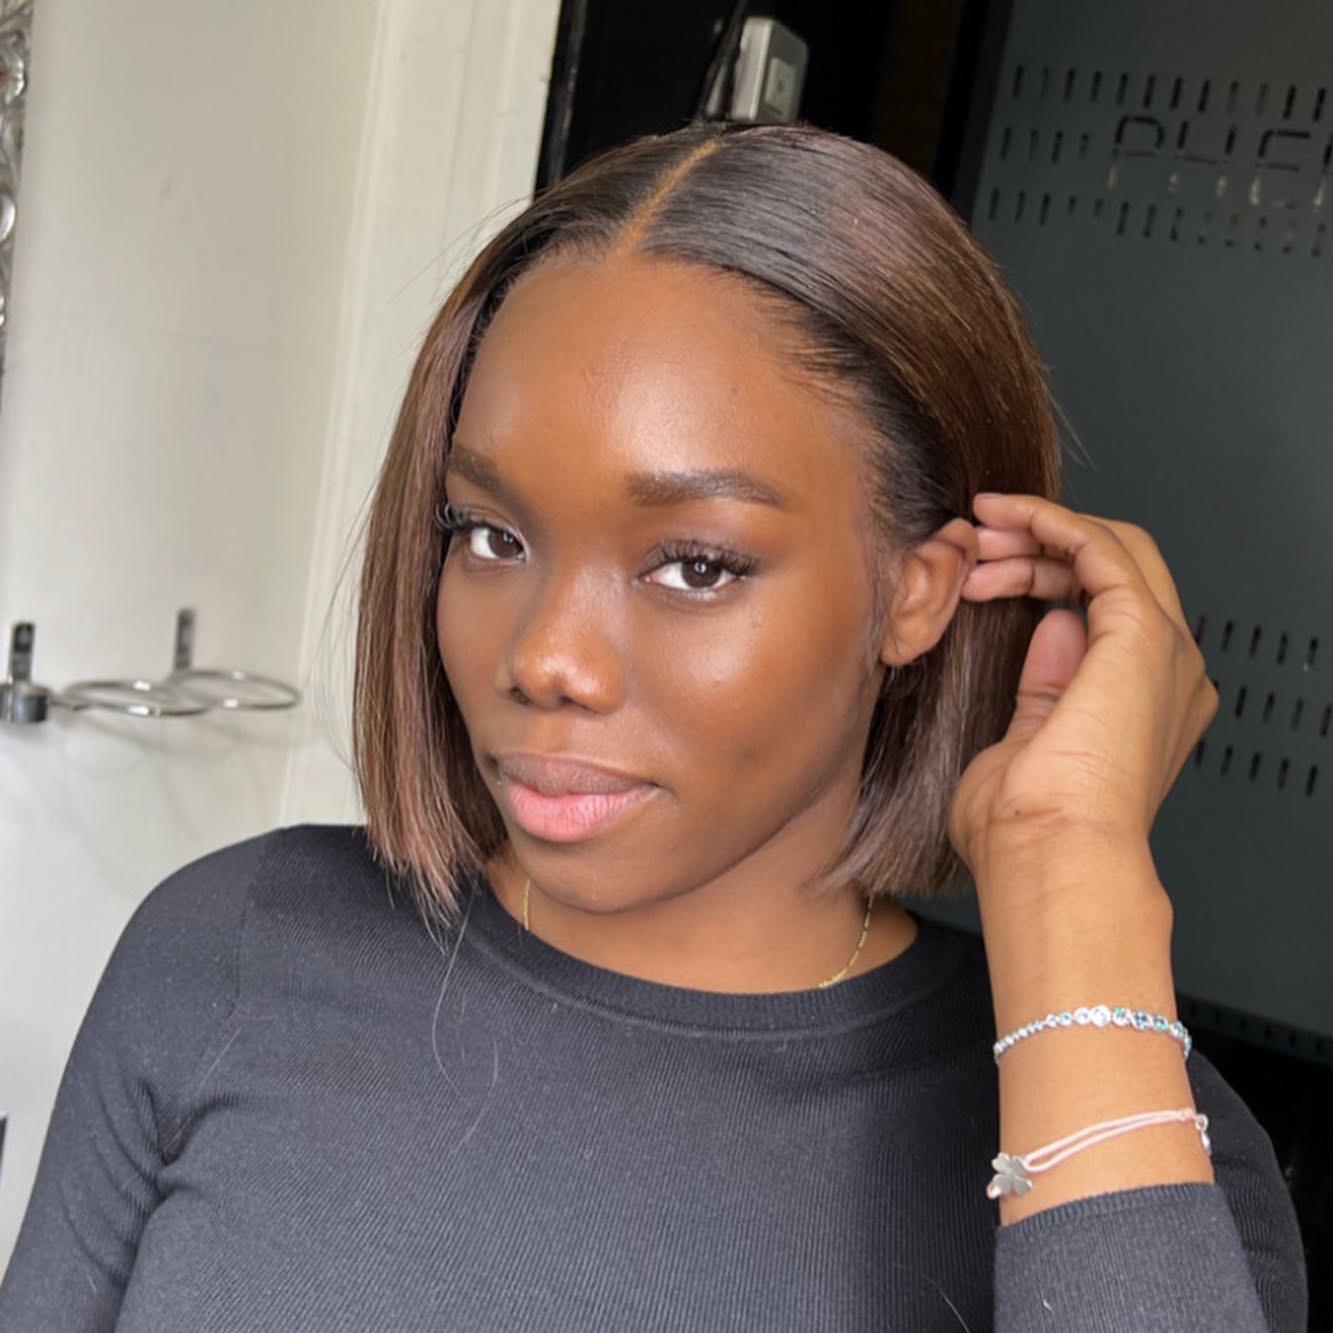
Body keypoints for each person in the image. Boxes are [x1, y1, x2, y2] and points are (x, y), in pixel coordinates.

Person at [0, 122, 1307, 1330]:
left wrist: (1069, 866)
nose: (543, 658)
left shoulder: (1142, 1144)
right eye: (489, 535)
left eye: (693, 564)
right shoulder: (231, 950)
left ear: (916, 591)